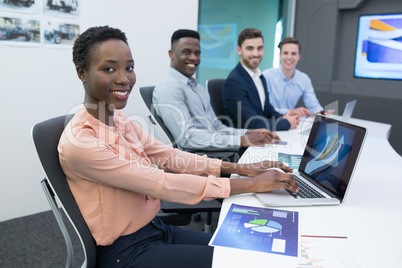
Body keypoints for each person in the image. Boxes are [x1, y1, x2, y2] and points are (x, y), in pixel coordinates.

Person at [59, 26, 298, 267]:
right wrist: (252, 184)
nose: (124, 78)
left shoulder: (119, 119)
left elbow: (169, 156)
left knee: (251, 250)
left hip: (156, 229)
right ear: (82, 72)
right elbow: (159, 182)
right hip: (126, 251)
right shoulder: (82, 143)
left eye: (129, 68)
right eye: (109, 68)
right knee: (235, 261)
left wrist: (243, 168)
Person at [153, 29, 280, 158]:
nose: (193, 58)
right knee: (269, 159)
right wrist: (240, 140)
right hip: (200, 160)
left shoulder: (198, 88)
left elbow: (217, 127)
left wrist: (248, 133)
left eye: (197, 53)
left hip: (217, 152)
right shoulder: (168, 88)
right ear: (171, 54)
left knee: (273, 152)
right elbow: (187, 138)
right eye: (186, 52)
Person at [222, 28, 299, 131]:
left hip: (261, 137)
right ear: (239, 50)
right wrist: (287, 123)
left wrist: (284, 116)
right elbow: (252, 123)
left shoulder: (260, 76)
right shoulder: (234, 82)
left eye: (259, 48)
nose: (256, 54)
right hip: (246, 142)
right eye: (250, 48)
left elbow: (267, 110)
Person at [262, 37, 331, 117]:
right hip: (269, 121)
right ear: (280, 55)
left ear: (299, 56)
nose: (289, 57)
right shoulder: (267, 76)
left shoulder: (304, 79)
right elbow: (264, 107)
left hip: (292, 123)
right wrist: (291, 111)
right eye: (285, 53)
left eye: (293, 54)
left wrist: (322, 113)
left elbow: (313, 105)